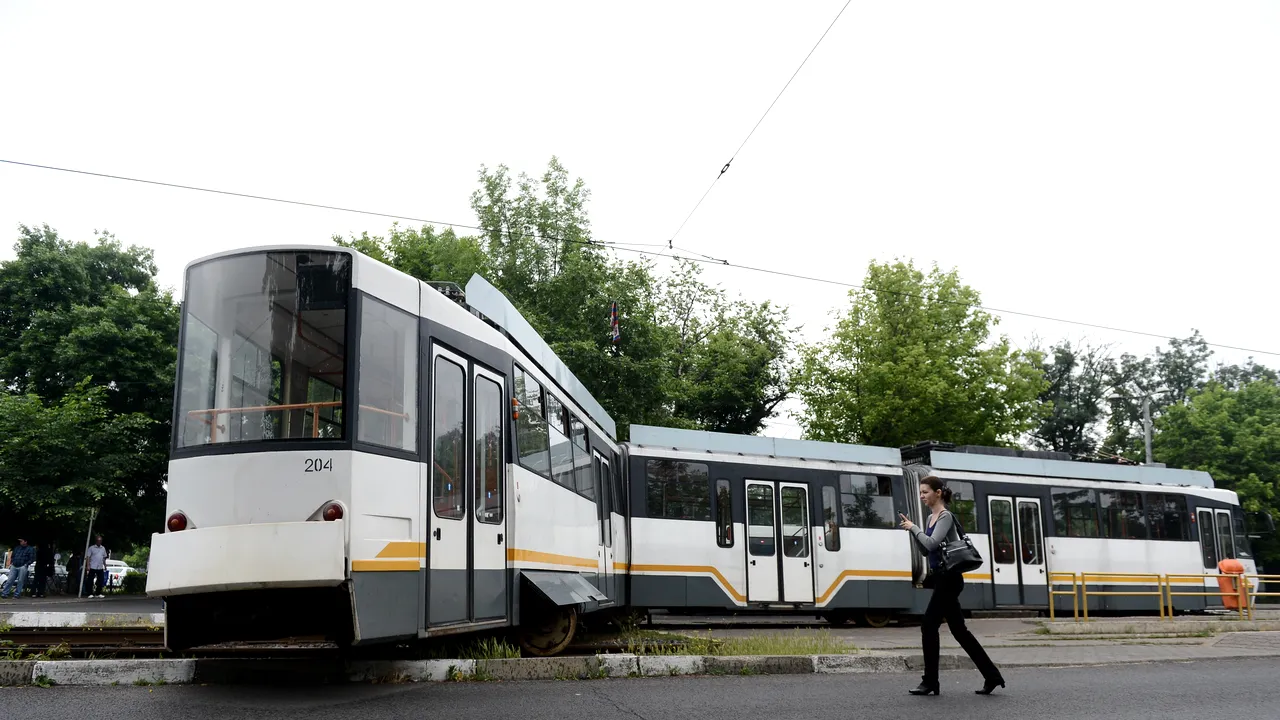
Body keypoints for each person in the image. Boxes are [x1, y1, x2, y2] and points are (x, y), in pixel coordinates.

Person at [898, 476, 1005, 696]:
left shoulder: (944, 516)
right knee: (960, 631)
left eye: (925, 492)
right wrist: (914, 531)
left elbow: (932, 542)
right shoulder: (930, 518)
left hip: (950, 579)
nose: (922, 496)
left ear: (938, 493)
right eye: (920, 492)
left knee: (929, 625)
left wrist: (914, 527)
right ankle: (992, 676)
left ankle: (930, 681)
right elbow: (926, 551)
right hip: (941, 577)